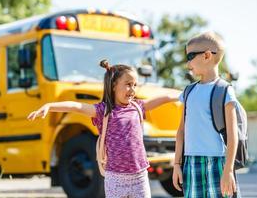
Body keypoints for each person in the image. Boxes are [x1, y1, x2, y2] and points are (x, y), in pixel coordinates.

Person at [28, 59, 178, 198]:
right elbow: (76, 106)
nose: (132, 89)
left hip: (139, 175)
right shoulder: (103, 111)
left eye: (135, 85)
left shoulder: (137, 107)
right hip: (115, 177)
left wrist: (182, 94)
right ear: (113, 85)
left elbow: (162, 99)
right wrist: (49, 106)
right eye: (128, 84)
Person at [172, 32, 240, 198]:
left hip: (218, 163)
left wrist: (228, 170)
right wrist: (177, 164)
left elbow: (233, 135)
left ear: (207, 55)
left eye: (190, 56)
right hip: (191, 163)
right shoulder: (188, 91)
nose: (188, 64)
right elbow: (181, 131)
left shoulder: (225, 90)